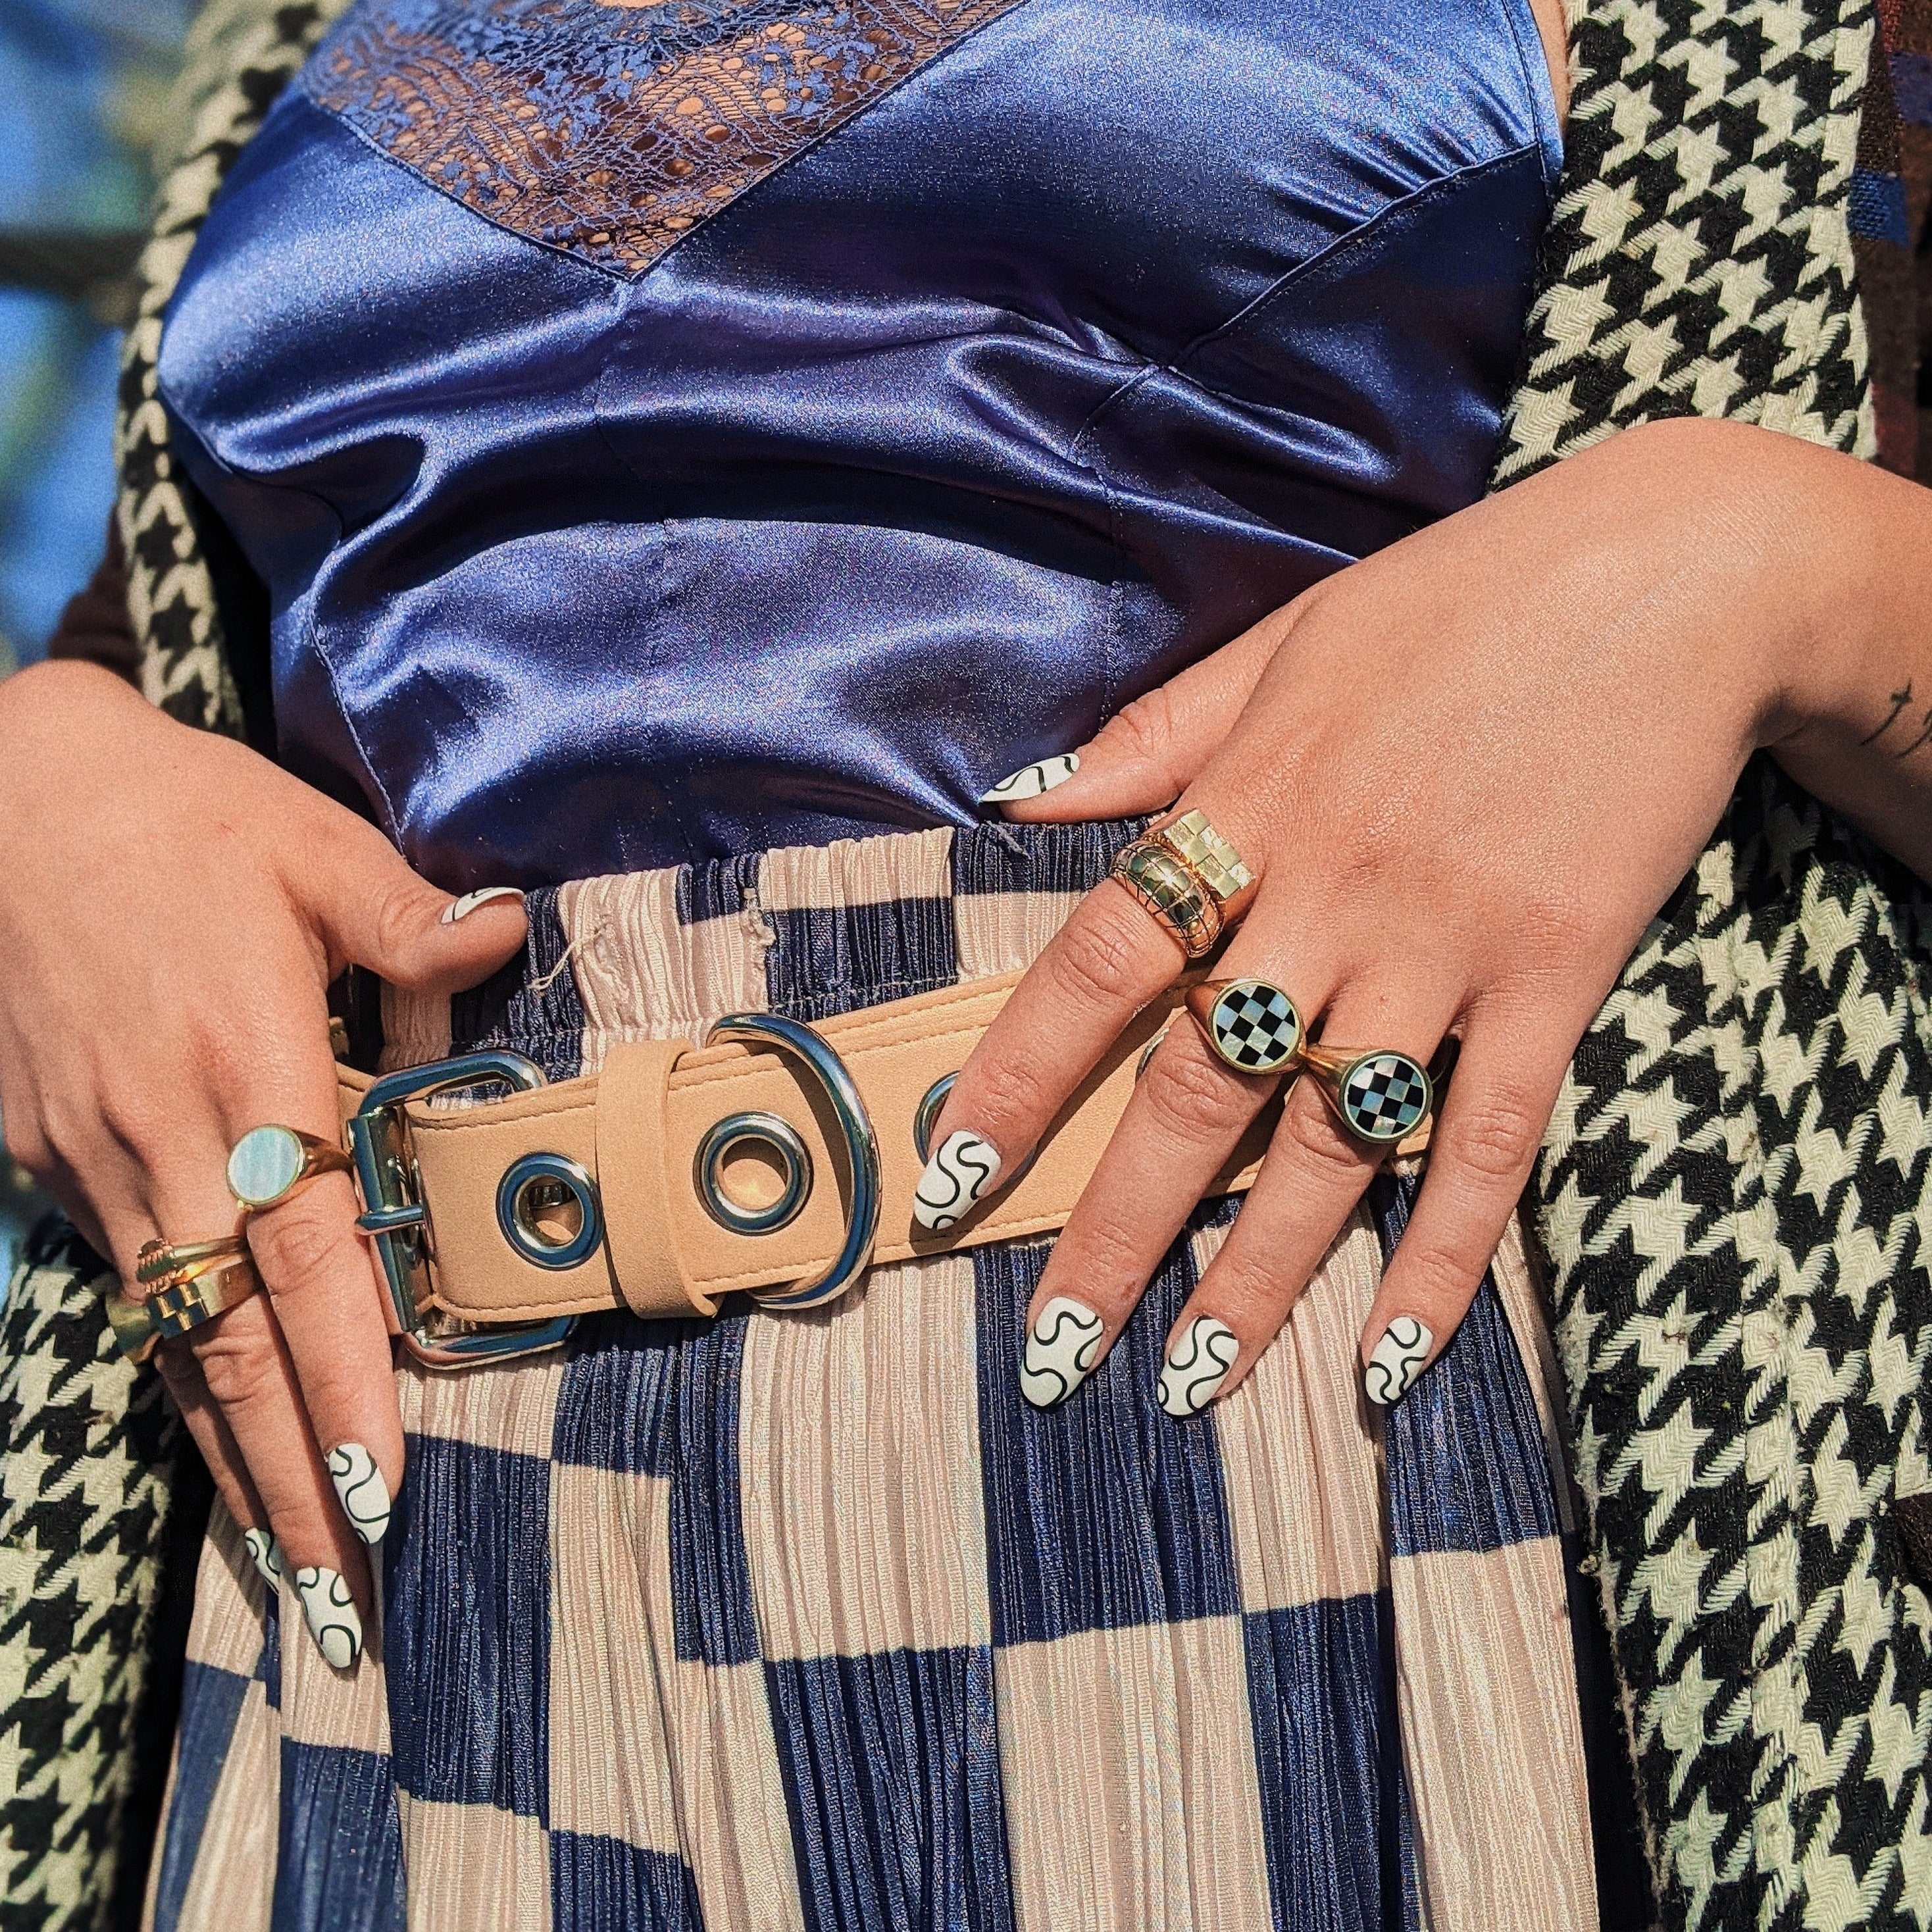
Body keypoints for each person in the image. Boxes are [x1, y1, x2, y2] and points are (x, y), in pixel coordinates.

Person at [2, 0, 1929, 1925]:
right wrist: (48, 777)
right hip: (394, 1503)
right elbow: (171, 637)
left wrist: (1761, 560)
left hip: (1259, 1419)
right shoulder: (273, 25)